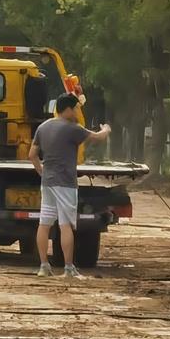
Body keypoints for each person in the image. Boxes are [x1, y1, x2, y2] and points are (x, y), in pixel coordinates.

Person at [29, 93, 111, 278]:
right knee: (65, 225)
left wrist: (42, 172)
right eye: (75, 108)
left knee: (44, 223)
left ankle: (44, 266)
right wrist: (107, 129)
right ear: (67, 109)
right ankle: (68, 269)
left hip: (48, 183)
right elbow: (97, 137)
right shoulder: (72, 128)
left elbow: (32, 155)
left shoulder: (43, 127)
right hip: (65, 183)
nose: (77, 112)